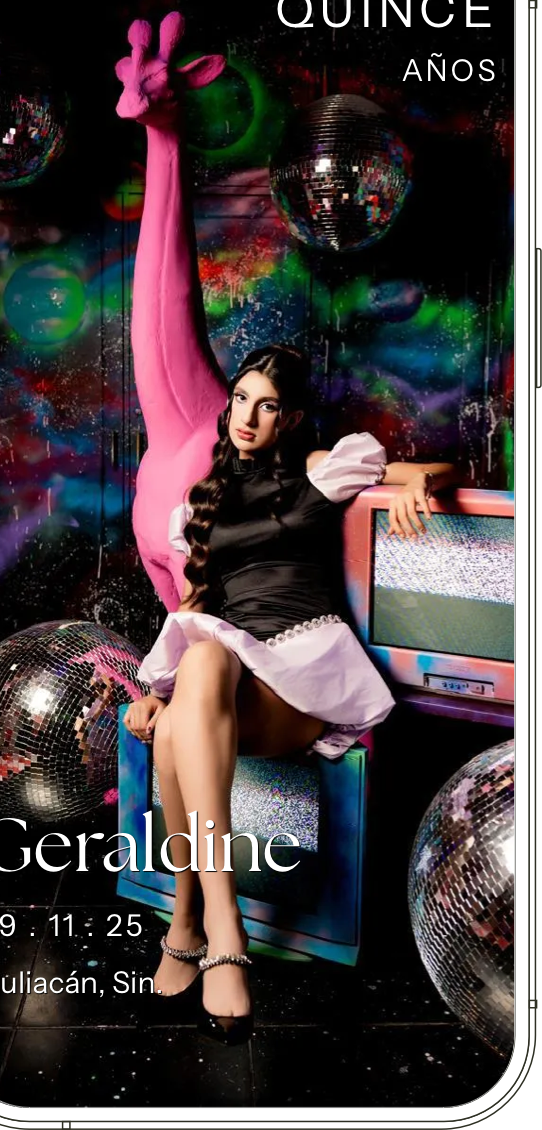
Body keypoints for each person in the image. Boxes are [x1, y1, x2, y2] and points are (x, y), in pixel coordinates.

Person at [123, 342, 461, 1044]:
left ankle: (193, 923)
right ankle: (217, 926)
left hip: (302, 673)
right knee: (197, 672)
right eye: (241, 400)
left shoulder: (320, 468)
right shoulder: (202, 502)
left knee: (193, 698)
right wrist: (155, 689)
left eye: (267, 405)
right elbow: (193, 607)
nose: (248, 416)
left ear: (292, 417)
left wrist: (419, 485)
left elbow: (439, 468)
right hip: (225, 674)